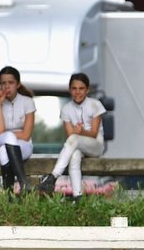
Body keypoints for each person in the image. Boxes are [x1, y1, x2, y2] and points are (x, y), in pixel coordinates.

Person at [37, 72, 105, 201]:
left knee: (74, 140)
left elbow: (94, 133)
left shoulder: (95, 104)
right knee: (74, 156)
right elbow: (69, 136)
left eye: (81, 88)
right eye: (74, 88)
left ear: (87, 90)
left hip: (95, 146)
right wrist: (77, 132)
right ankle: (77, 196)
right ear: (70, 90)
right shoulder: (66, 109)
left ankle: (53, 177)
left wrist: (81, 131)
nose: (77, 92)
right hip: (77, 144)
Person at [0, 66, 36, 196]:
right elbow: (0, 131)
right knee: (7, 137)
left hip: (23, 145)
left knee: (4, 150)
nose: (7, 86)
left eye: (11, 82)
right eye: (3, 83)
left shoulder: (28, 102)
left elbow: (26, 135)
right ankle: (23, 182)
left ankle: (9, 195)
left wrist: (4, 134)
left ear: (18, 84)